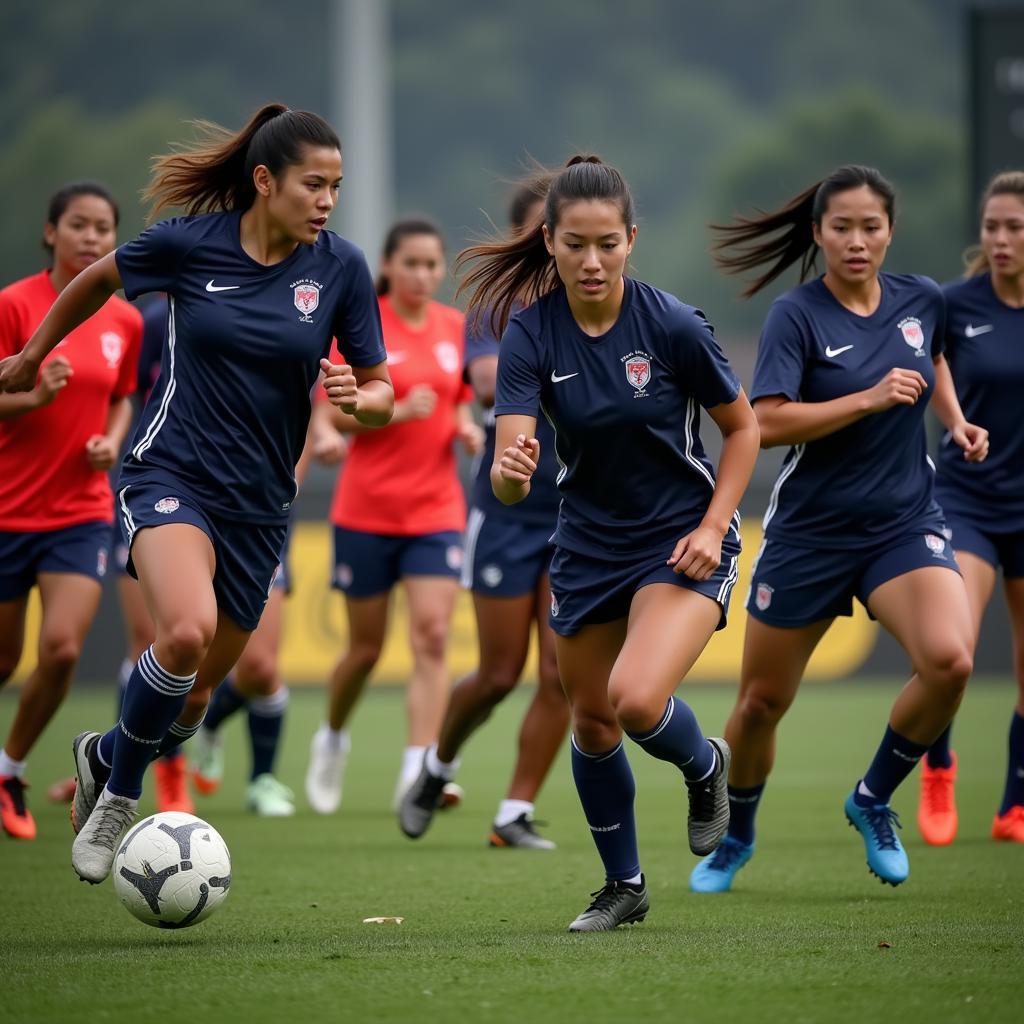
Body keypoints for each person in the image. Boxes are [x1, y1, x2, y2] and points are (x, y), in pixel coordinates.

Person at [0, 103, 392, 883]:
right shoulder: (189, 243)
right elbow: (98, 280)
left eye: (336, 187)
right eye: (313, 184)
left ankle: (104, 751)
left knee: (196, 696)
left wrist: (358, 397)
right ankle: (118, 795)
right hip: (169, 473)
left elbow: (380, 388)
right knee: (181, 635)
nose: (326, 201)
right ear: (263, 180)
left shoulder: (340, 268)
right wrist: (33, 351)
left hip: (260, 505)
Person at [455, 155, 759, 931]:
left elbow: (743, 428)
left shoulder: (671, 324)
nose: (592, 262)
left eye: (607, 245)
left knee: (634, 700)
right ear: (550, 241)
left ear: (631, 239)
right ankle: (623, 886)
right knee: (589, 720)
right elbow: (510, 477)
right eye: (575, 245)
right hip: (587, 545)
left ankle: (705, 764)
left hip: (679, 541)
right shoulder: (529, 333)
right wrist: (514, 469)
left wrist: (714, 524)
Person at [689, 165, 986, 894]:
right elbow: (770, 420)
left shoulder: (922, 299)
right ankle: (739, 837)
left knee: (950, 661)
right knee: (760, 704)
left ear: (891, 230)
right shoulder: (798, 314)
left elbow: (935, 356)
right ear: (819, 234)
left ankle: (872, 798)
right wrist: (869, 398)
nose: (857, 241)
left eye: (871, 227)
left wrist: (953, 420)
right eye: (842, 228)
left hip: (903, 521)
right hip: (811, 533)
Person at [398, 180, 570, 849]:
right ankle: (435, 767)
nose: (570, 251)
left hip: (576, 515)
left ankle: (513, 814)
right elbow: (490, 382)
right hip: (507, 510)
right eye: (556, 235)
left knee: (560, 673)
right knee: (499, 673)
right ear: (532, 238)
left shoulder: (605, 312)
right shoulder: (497, 311)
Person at [305, 218, 483, 814]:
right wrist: (396, 412)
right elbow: (333, 410)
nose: (424, 275)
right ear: (388, 265)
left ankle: (417, 770)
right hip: (367, 510)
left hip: (436, 510)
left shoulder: (454, 329)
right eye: (412, 263)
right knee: (365, 650)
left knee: (433, 636)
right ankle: (331, 738)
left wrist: (464, 429)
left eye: (433, 265)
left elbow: (457, 402)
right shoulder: (362, 324)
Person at [0, 182, 141, 840]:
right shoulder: (14, 306)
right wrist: (32, 398)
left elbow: (122, 394)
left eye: (103, 228)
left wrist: (112, 439)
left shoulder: (124, 319)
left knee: (59, 650)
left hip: (80, 513)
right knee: (3, 662)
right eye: (79, 225)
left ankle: (9, 769)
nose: (92, 238)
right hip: (7, 510)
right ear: (50, 233)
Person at [917, 171, 1024, 846]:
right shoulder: (955, 305)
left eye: (1016, 228)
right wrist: (955, 420)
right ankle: (937, 769)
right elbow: (926, 361)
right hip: (967, 501)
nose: (1003, 239)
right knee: (949, 648)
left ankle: (1015, 804)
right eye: (993, 227)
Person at [191, 420, 347, 817]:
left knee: (261, 668)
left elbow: (316, 416)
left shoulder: (301, 365)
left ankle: (258, 775)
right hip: (196, 509)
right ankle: (125, 768)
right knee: (184, 652)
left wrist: (323, 432)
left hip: (265, 524)